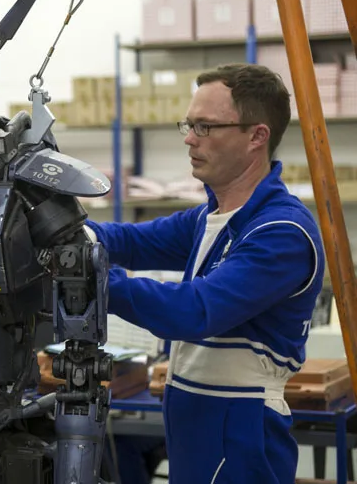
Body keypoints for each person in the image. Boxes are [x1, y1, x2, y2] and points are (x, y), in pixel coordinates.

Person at [87, 63, 324, 484]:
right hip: (197, 422)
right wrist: (67, 232)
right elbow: (131, 240)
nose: (189, 138)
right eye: (189, 125)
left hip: (239, 431)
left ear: (257, 136)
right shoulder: (210, 218)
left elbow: (195, 312)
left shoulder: (281, 232)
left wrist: (94, 278)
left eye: (206, 127)